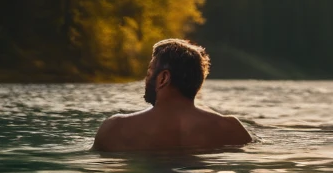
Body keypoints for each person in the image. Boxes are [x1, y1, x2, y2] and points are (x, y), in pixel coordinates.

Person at [93, 38, 252, 152]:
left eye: (149, 72)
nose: (146, 79)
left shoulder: (116, 128)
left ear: (163, 78)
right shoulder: (230, 128)